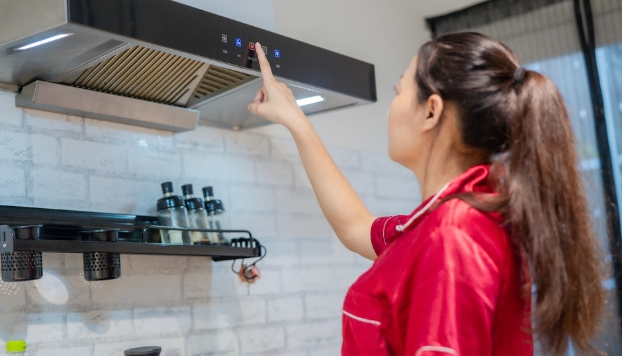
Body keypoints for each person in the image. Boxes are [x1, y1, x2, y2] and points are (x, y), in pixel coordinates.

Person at [248, 32, 605, 356]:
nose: (391, 108)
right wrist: (295, 120)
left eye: (398, 92)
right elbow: (356, 227)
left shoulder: (453, 237)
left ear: (431, 111)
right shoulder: (463, 217)